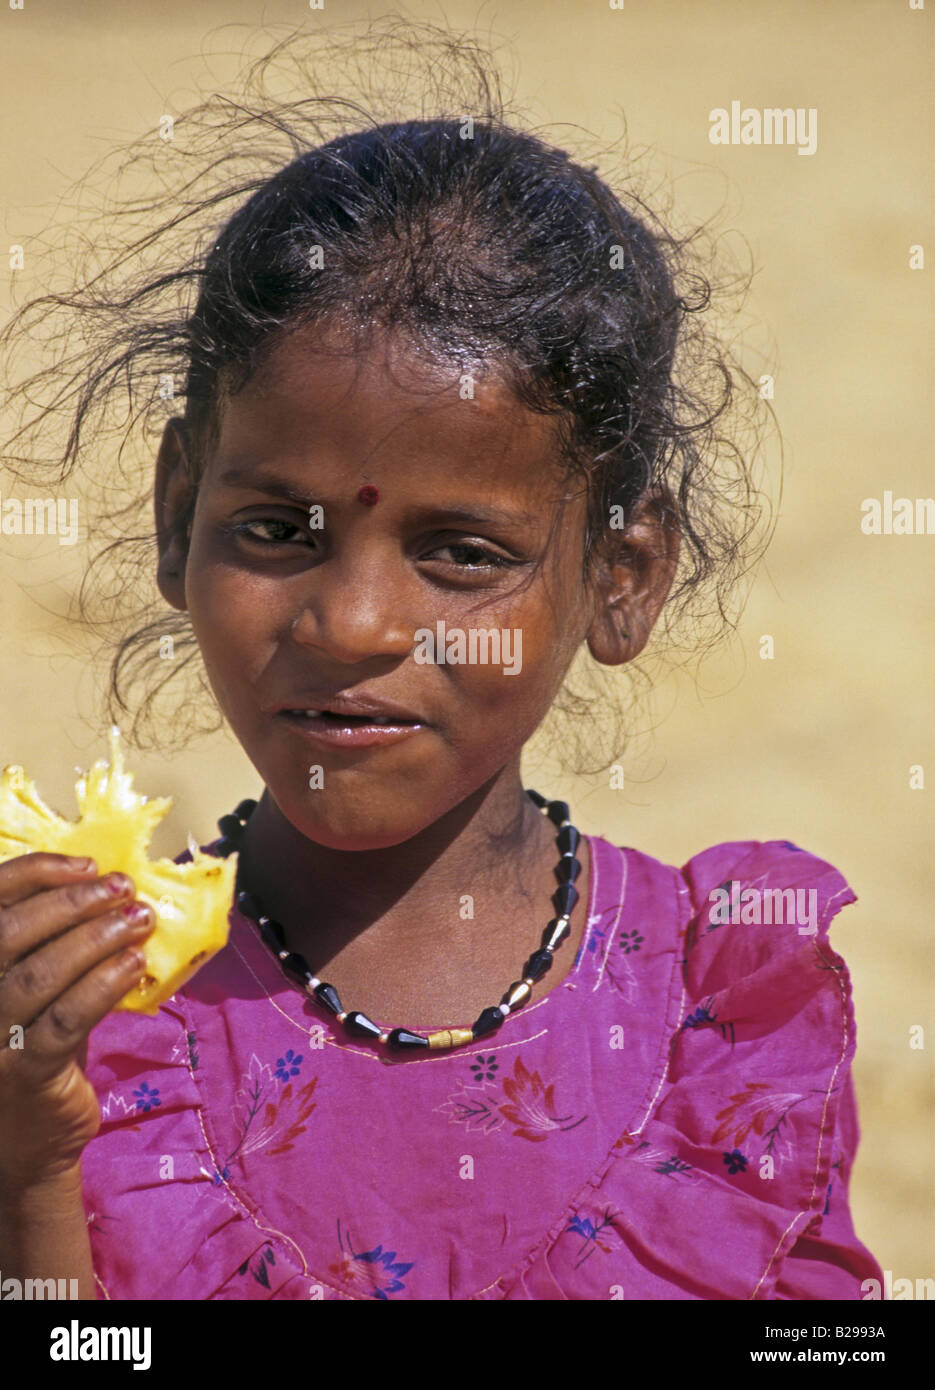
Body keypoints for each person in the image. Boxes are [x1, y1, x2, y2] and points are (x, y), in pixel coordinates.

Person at [0, 39, 883, 1300]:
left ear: (619, 577)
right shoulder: (94, 1017)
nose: (352, 621)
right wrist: (32, 1162)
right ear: (177, 510)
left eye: (461, 552)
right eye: (275, 530)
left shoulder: (722, 1012)